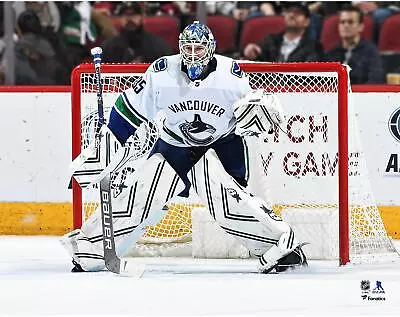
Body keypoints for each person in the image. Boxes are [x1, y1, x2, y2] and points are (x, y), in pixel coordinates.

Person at [61, 21, 307, 274]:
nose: (191, 55)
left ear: (210, 49)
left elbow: (253, 112)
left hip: (220, 146)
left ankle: (283, 247)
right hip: (174, 145)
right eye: (186, 48)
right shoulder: (161, 73)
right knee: (141, 193)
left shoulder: (230, 77)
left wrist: (260, 113)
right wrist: (102, 154)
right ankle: (90, 249)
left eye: (198, 49)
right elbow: (128, 110)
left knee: (229, 202)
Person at [242, 2, 324, 62]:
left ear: (307, 22)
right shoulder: (271, 40)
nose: (291, 15)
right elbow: (257, 57)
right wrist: (251, 51)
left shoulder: (314, 47)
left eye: (298, 13)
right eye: (289, 11)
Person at [325, 5, 384, 84]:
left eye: (350, 22)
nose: (345, 25)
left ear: (361, 26)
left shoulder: (371, 52)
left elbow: (375, 81)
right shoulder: (331, 52)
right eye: (342, 22)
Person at [101, 2, 173, 63]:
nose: (129, 19)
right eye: (125, 15)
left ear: (142, 17)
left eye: (134, 15)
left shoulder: (158, 45)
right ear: (119, 19)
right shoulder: (108, 46)